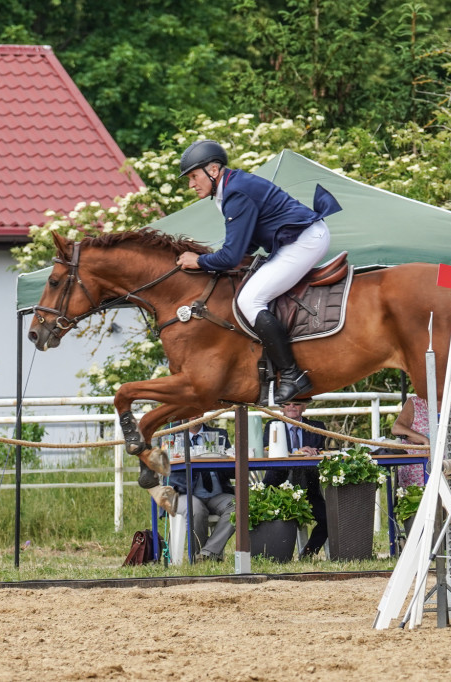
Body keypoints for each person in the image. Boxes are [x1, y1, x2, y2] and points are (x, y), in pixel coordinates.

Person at [175, 140, 342, 403]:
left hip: (304, 241)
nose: (191, 184)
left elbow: (231, 256)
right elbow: (246, 244)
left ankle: (292, 374)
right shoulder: (229, 188)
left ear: (214, 170)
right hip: (297, 238)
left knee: (249, 300)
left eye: (194, 176)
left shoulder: (234, 193)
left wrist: (201, 261)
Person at [391, 396, 451, 512]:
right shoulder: (414, 403)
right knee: (431, 488)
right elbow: (397, 428)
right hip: (422, 465)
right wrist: (424, 440)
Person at [261, 402, 328, 559]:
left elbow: (320, 450)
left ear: (304, 407)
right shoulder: (273, 425)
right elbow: (266, 449)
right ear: (281, 408)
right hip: (277, 487)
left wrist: (314, 452)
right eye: (287, 404)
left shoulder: (317, 427)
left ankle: (308, 552)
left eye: (297, 404)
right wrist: (296, 452)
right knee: (263, 514)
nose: (292, 407)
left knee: (328, 518)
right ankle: (275, 555)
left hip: (308, 489)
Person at [166, 422, 234, 561]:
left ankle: (208, 553)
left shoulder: (219, 435)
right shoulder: (171, 433)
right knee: (195, 508)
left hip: (216, 494)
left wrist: (227, 457)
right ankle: (200, 555)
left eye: (197, 410)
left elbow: (231, 470)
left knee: (239, 505)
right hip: (184, 493)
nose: (194, 413)